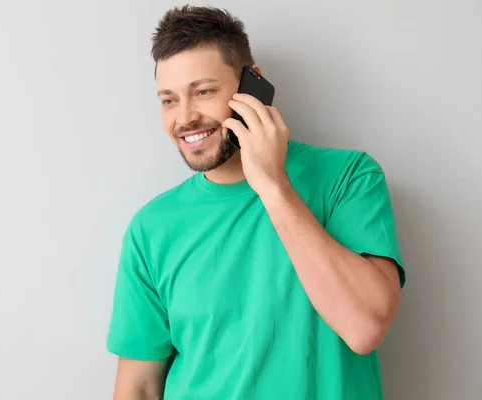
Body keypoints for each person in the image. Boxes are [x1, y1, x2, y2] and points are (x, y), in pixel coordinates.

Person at [106, 5, 406, 400]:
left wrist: (273, 186)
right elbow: (139, 388)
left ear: (253, 83)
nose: (185, 117)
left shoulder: (347, 178)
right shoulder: (150, 228)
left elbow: (365, 328)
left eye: (203, 91)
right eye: (168, 100)